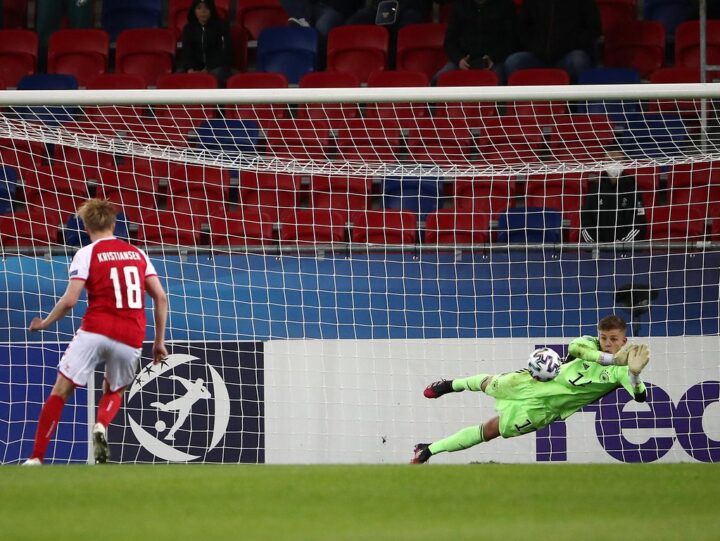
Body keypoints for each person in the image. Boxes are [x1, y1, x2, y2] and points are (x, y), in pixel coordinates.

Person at [22, 199, 168, 465]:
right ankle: (101, 426)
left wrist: (45, 322)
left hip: (96, 329)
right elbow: (160, 297)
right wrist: (159, 342)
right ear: (114, 224)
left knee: (61, 390)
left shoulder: (87, 253)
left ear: (87, 228)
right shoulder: (138, 254)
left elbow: (70, 300)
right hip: (131, 335)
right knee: (114, 390)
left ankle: (36, 458)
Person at [412, 314, 650, 463]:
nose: (608, 343)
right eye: (604, 337)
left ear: (624, 341)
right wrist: (610, 359)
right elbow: (577, 350)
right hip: (535, 382)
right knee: (489, 384)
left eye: (613, 339)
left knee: (491, 430)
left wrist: (635, 375)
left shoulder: (624, 371)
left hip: (544, 409)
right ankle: (449, 384)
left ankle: (429, 450)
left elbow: (640, 398)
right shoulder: (590, 343)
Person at [504, 0, 601, 83]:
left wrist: (570, 45)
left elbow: (593, 28)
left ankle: (577, 104)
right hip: (537, 57)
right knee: (513, 62)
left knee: (578, 60)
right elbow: (523, 28)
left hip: (567, 56)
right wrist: (535, 47)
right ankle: (526, 103)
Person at [432, 0, 519, 84]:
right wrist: (459, 60)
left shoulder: (505, 5)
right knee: (437, 80)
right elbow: (449, 42)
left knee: (499, 83)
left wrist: (494, 58)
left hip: (494, 62)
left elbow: (511, 40)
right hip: (464, 60)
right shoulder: (459, 5)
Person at [580, 146, 647, 244]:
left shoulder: (633, 187)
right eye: (610, 160)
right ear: (604, 163)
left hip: (626, 251)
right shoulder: (596, 187)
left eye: (617, 160)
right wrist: (595, 244)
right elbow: (586, 220)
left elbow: (639, 222)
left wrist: (622, 245)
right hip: (598, 250)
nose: (613, 163)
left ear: (624, 163)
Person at [180, 0, 233, 86]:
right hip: (195, 68)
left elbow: (225, 53)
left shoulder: (221, 27)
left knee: (217, 75)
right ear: (194, 11)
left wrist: (207, 69)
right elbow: (186, 51)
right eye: (199, 8)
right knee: (177, 77)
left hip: (216, 67)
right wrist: (190, 69)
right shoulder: (188, 29)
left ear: (211, 9)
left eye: (206, 8)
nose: (203, 11)